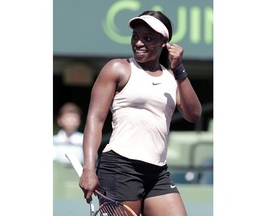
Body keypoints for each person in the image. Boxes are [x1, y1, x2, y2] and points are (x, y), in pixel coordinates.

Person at [79, 10, 202, 216]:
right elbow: (95, 120)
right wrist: (89, 169)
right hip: (120, 166)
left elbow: (194, 114)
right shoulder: (118, 68)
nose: (138, 43)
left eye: (147, 38)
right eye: (135, 37)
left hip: (158, 172)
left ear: (164, 41)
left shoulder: (172, 78)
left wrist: (179, 68)